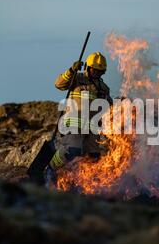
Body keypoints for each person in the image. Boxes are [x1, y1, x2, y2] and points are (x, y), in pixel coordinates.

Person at [45, 52, 112, 183]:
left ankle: (86, 183)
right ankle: (50, 169)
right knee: (72, 150)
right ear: (87, 67)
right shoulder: (77, 78)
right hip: (74, 124)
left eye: (99, 71)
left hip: (93, 129)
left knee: (93, 157)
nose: (96, 73)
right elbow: (59, 84)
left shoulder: (104, 88)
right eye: (94, 70)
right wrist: (71, 70)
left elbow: (108, 106)